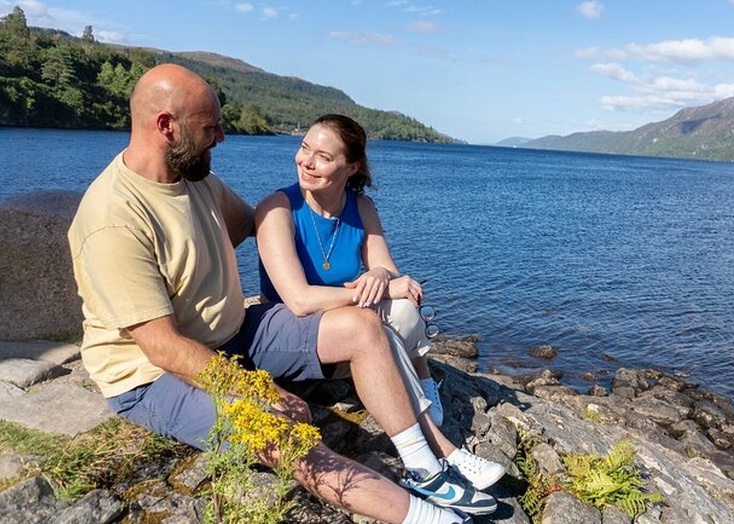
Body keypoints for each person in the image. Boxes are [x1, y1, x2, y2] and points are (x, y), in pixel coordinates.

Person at [67, 63, 494, 524]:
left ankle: (423, 466)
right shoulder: (115, 218)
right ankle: (430, 518)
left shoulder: (196, 181)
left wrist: (334, 237)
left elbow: (255, 225)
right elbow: (163, 348)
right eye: (211, 127)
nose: (223, 138)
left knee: (362, 326)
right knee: (282, 431)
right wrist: (255, 389)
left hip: (235, 336)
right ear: (166, 127)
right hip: (151, 376)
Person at [255, 113, 506, 492]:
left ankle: (423, 381)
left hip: (345, 333)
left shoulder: (361, 208)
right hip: (300, 338)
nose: (305, 161)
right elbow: (300, 300)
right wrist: (368, 292)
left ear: (351, 166)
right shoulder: (277, 209)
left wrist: (380, 276)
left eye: (322, 156)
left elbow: (389, 271)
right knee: (376, 326)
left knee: (404, 305)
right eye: (304, 148)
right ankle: (445, 453)